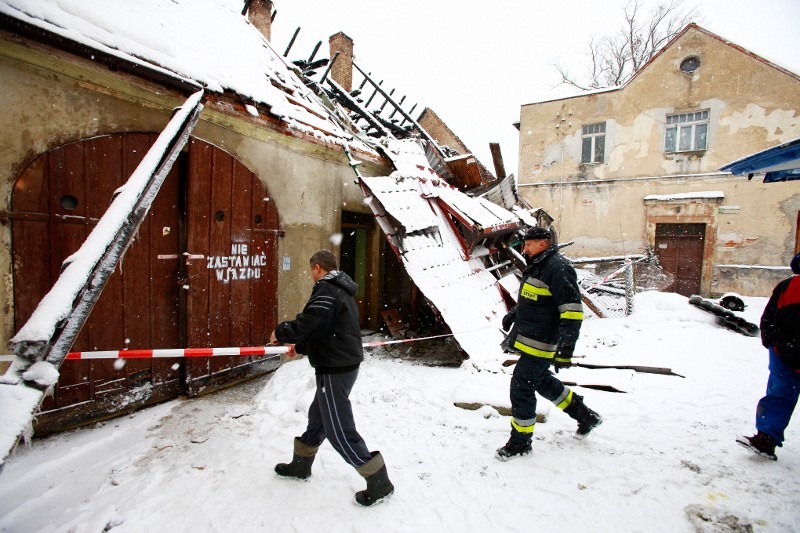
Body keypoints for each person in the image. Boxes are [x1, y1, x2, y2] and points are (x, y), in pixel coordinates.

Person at [270, 250, 394, 505]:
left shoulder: (327, 290)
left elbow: (311, 323)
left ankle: (379, 482)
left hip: (335, 368)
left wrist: (281, 332)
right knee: (319, 418)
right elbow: (326, 330)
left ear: (317, 268)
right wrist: (301, 348)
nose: (310, 274)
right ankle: (301, 465)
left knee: (338, 429)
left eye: (310, 270)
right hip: (340, 363)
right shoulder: (340, 289)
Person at [497, 226, 603, 460]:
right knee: (541, 381)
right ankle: (585, 415)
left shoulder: (558, 268)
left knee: (521, 386)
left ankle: (520, 442)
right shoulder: (539, 264)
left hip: (543, 343)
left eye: (528, 244)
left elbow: (572, 312)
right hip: (532, 339)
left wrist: (566, 349)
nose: (524, 249)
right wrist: (515, 312)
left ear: (542, 243)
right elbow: (536, 298)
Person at [737, 251, 800, 461]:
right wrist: (772, 340)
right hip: (784, 352)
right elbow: (769, 318)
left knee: (779, 393)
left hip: (783, 350)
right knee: (779, 394)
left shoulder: (788, 286)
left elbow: (768, 319)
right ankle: (766, 438)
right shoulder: (787, 287)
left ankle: (766, 437)